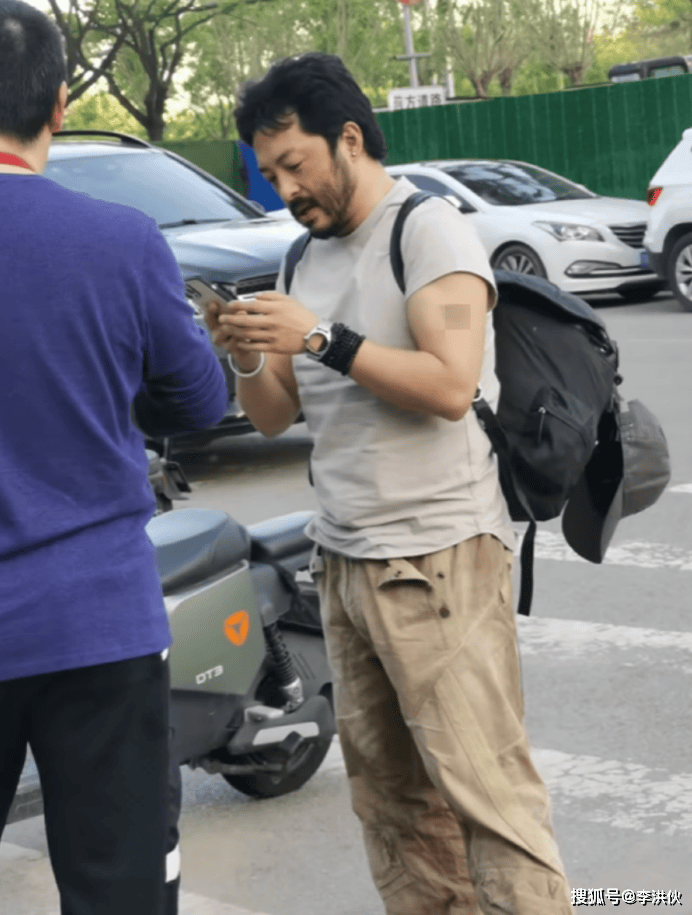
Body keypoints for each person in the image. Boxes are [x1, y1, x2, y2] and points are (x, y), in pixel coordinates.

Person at [209, 52, 575, 915]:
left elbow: (450, 383)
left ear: (349, 138)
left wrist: (322, 337)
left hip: (440, 556)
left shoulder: (430, 231)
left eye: (295, 165)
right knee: (392, 805)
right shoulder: (301, 257)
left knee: (490, 801)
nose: (285, 190)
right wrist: (246, 351)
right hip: (344, 560)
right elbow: (274, 415)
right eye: (269, 175)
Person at [0, 2, 228, 914]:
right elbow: (197, 402)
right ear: (58, 104)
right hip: (98, 624)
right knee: (119, 885)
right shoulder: (122, 241)